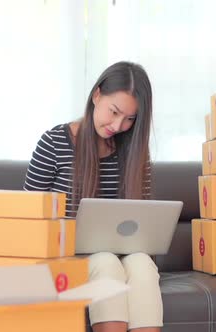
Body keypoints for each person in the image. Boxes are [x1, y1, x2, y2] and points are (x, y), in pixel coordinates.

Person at [23, 61, 161, 332]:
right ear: (97, 95)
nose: (118, 125)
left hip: (122, 255)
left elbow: (143, 220)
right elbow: (27, 218)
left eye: (130, 119)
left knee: (143, 265)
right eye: (114, 112)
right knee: (105, 262)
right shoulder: (54, 143)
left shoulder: (135, 153)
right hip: (67, 259)